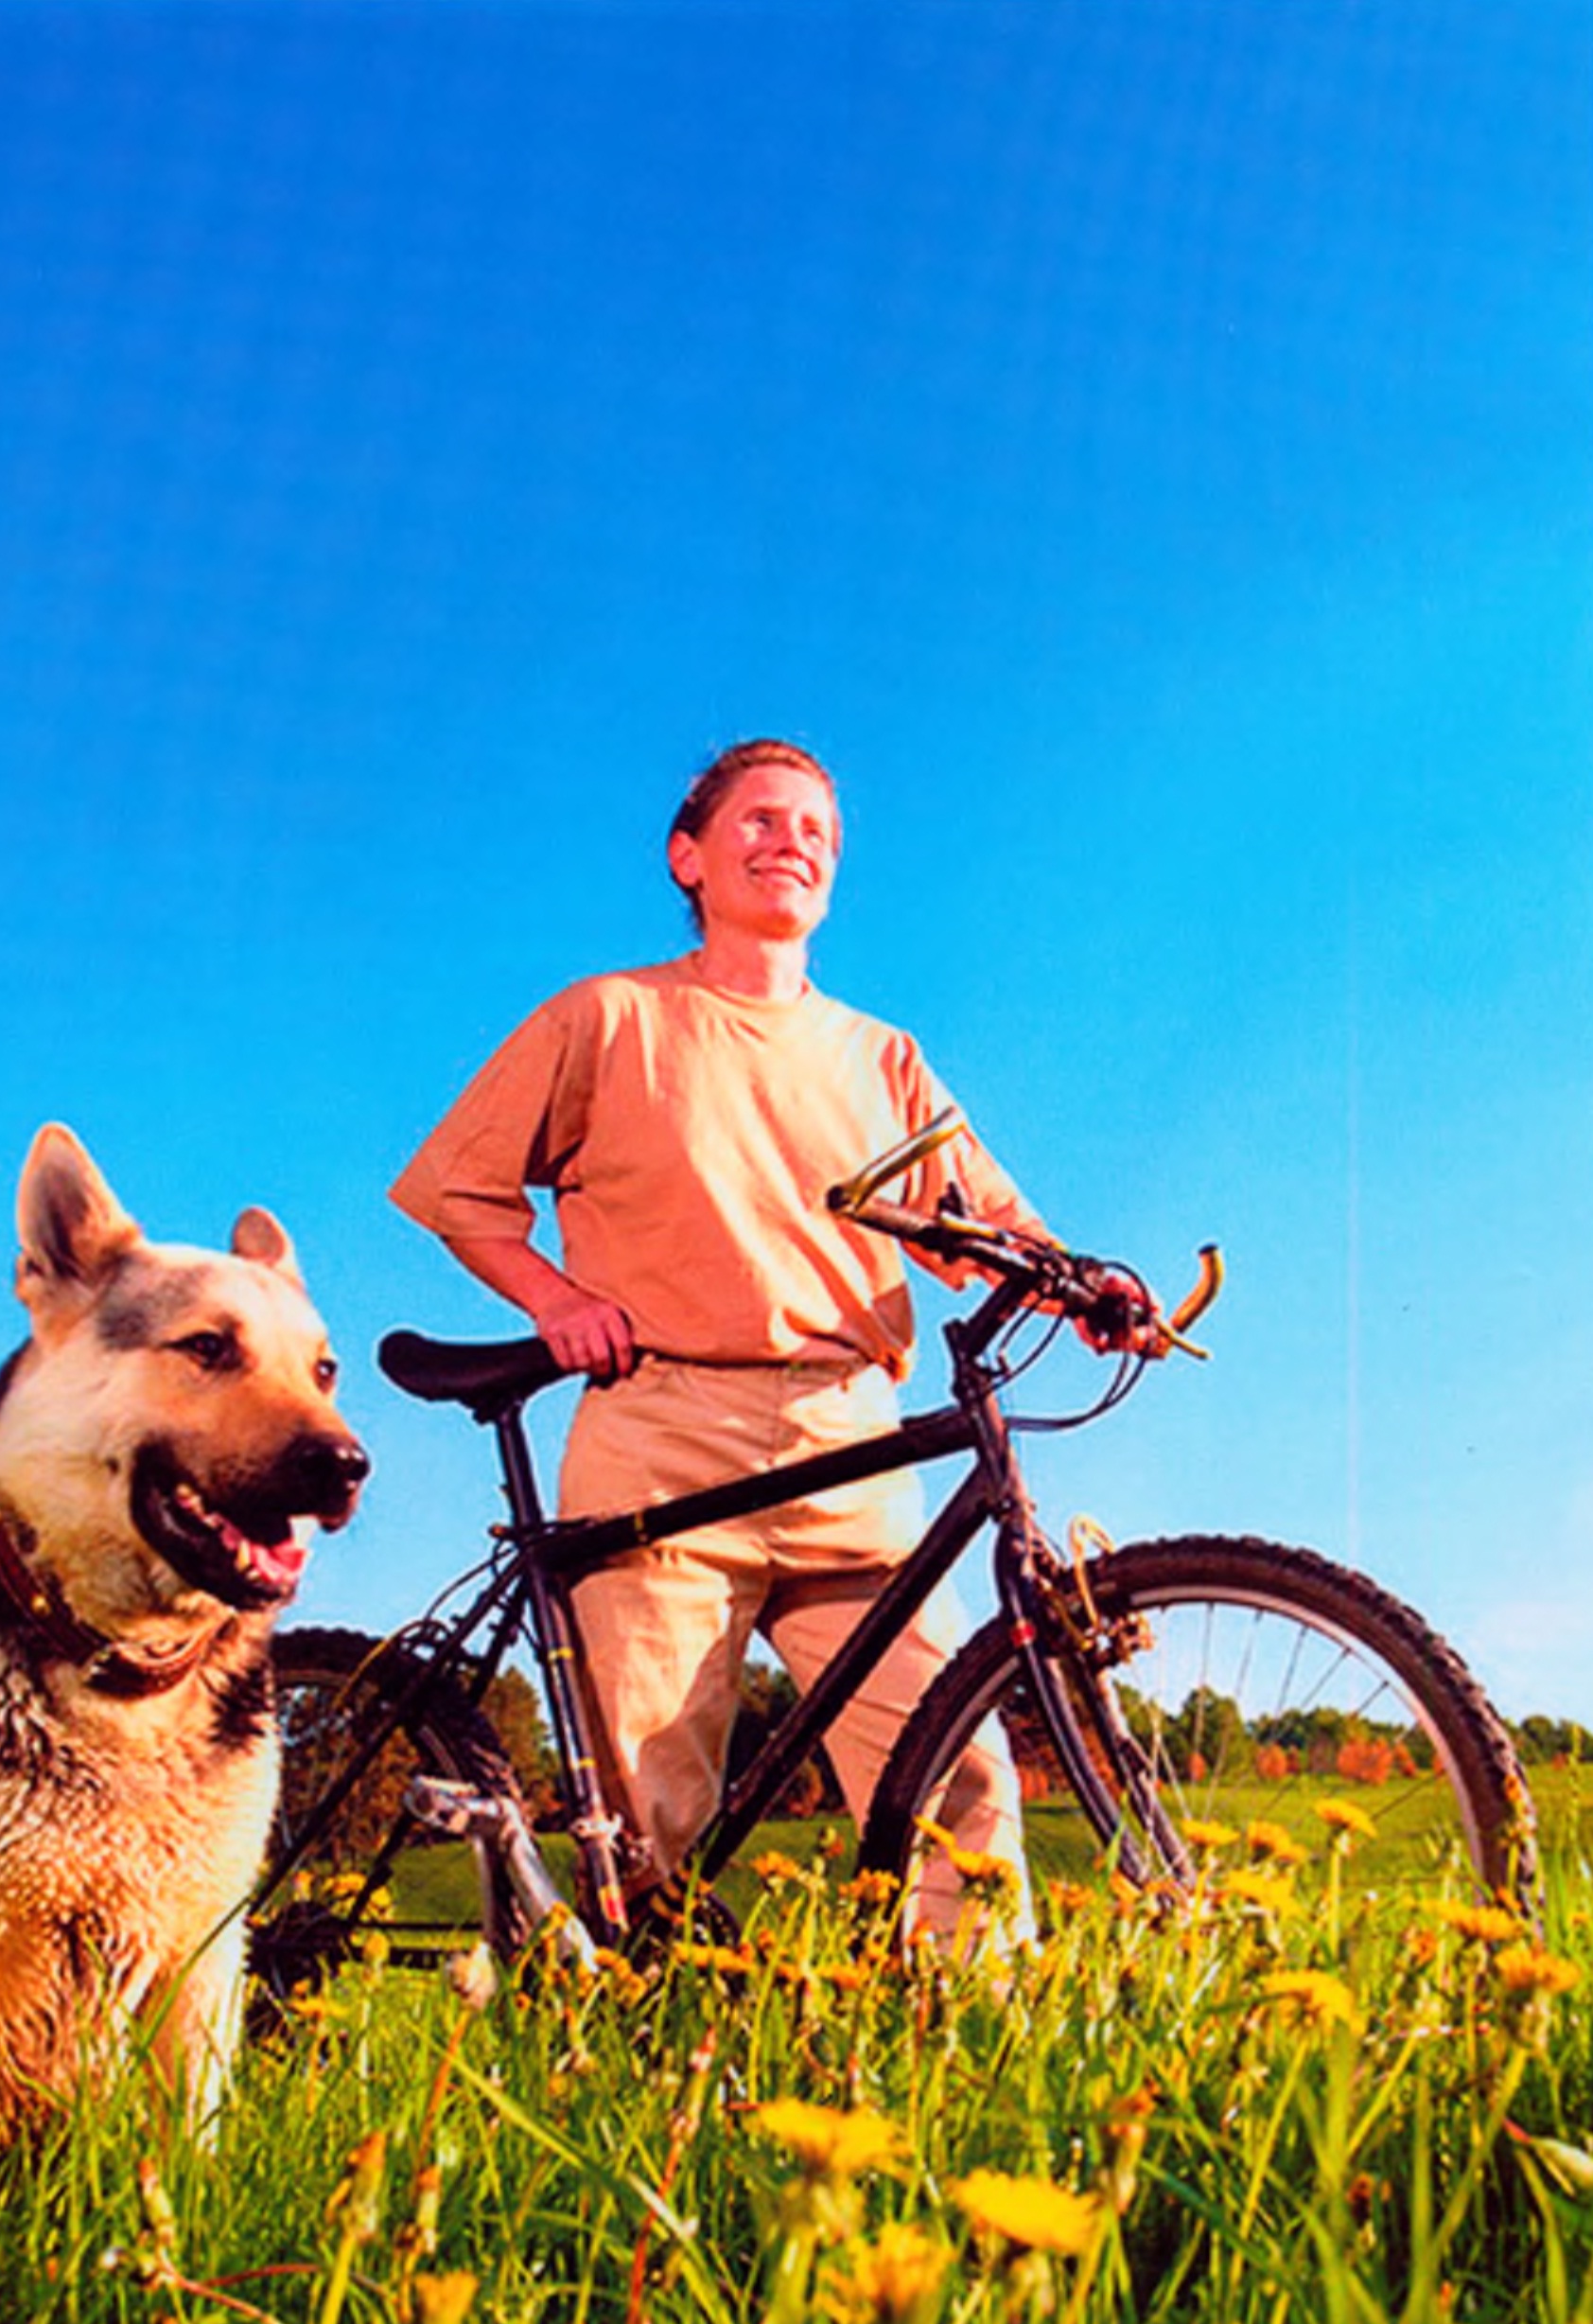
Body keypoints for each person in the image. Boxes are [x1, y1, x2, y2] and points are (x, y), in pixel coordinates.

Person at [390, 738, 1113, 1947]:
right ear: (688, 855)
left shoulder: (881, 1057)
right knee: (647, 1808)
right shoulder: (609, 1017)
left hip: (852, 1445)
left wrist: (1084, 1287)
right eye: (762, 819)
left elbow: (990, 1224)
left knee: (959, 1775)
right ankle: (627, 2086)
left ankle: (974, 2078)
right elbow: (458, 1190)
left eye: (818, 831)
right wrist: (556, 1300)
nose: (795, 841)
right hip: (663, 1430)